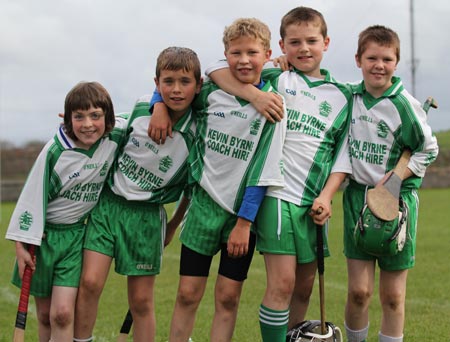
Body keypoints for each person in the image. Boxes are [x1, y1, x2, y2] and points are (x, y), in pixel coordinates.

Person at [206, 7, 353, 341]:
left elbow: (342, 155)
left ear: (326, 42)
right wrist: (254, 93)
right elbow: (215, 67)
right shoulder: (275, 77)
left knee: (304, 288)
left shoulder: (344, 95)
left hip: (314, 201)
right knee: (282, 284)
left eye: (311, 41)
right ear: (282, 45)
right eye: (295, 42)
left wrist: (327, 197)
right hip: (276, 194)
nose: (304, 48)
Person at [149, 18, 287, 341]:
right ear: (225, 54)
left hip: (240, 217)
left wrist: (245, 222)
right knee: (187, 294)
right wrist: (157, 105)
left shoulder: (274, 103)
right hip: (202, 209)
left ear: (266, 54)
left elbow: (265, 168)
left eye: (252, 52)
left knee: (227, 297)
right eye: (235, 52)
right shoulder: (210, 91)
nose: (243, 60)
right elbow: (177, 89)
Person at [71, 47, 202, 342]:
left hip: (147, 218)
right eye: (168, 82)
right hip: (109, 207)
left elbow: (191, 190)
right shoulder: (143, 107)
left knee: (141, 301)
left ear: (199, 84)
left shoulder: (198, 130)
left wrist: (172, 226)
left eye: (184, 81)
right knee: (90, 283)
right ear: (156, 83)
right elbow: (105, 138)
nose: (176, 90)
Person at [5, 81, 124, 342]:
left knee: (62, 314)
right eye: (79, 117)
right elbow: (32, 198)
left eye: (95, 116)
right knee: (46, 314)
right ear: (68, 119)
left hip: (74, 239)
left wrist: (159, 106)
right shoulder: (55, 151)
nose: (88, 124)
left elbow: (138, 116)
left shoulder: (113, 138)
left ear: (108, 117)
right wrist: (20, 245)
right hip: (44, 239)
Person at [341, 25, 438, 342]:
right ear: (358, 60)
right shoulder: (349, 96)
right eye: (371, 58)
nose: (378, 65)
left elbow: (429, 149)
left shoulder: (405, 105)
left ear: (396, 62)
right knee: (358, 292)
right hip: (358, 199)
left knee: (393, 296)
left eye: (386, 58)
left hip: (398, 205)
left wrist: (398, 176)